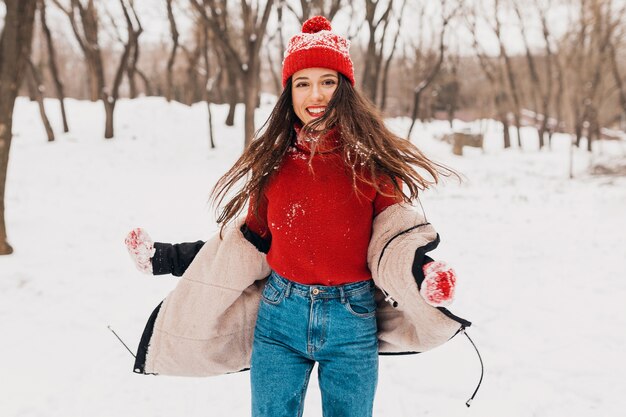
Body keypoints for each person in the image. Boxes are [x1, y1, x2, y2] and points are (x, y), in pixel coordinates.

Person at [125, 16, 473, 417]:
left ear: (345, 89)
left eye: (327, 81)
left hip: (352, 321)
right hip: (279, 318)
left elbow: (395, 242)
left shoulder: (370, 167)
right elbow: (243, 245)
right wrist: (165, 257)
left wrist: (425, 275)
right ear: (289, 92)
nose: (316, 94)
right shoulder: (274, 165)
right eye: (302, 83)